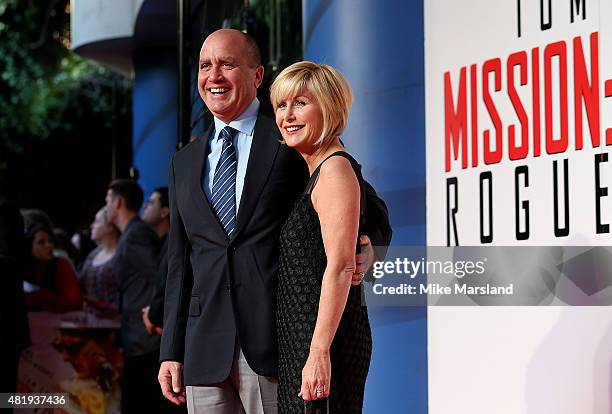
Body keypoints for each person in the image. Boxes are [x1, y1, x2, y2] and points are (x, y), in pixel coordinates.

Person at [158, 29, 390, 414]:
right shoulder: (183, 163)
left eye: (227, 64)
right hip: (203, 349)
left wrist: (368, 249)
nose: (213, 76)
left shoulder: (292, 138)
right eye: (205, 66)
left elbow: (368, 207)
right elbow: (179, 263)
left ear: (257, 75)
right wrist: (171, 350)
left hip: (275, 342)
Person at [270, 61, 373, 413]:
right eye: (281, 105)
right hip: (308, 339)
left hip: (325, 342)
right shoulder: (318, 170)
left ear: (328, 106)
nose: (288, 115)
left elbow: (342, 266)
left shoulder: (334, 170)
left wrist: (318, 353)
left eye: (300, 103)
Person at [104, 179, 161, 413]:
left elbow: (159, 276)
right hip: (137, 337)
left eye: (107, 200)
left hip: (146, 338)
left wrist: (156, 315)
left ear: (118, 202)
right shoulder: (132, 232)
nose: (105, 206)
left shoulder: (136, 234)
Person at [0, 198, 30, 405]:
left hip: (6, 326)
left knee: (5, 398)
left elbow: (10, 259)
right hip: (9, 327)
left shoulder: (4, 211)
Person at [23, 223, 83, 313]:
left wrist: (40, 296)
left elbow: (74, 302)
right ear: (29, 248)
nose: (49, 245)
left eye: (50, 241)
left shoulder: (61, 264)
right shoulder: (21, 268)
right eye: (41, 242)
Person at [77, 207, 120, 315]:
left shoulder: (122, 255)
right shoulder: (93, 254)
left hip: (116, 323)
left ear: (110, 227)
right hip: (90, 321)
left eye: (96, 221)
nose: (92, 226)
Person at [142, 187, 170, 336]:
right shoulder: (163, 242)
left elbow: (164, 284)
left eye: (151, 203)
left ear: (164, 212)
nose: (145, 206)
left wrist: (152, 313)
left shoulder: (173, 243)